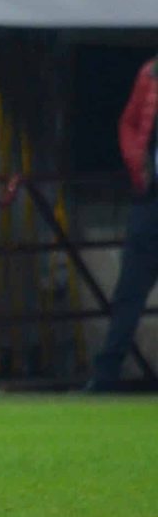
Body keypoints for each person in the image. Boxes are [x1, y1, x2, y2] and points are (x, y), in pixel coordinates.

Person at [86, 55, 158, 393]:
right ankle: (105, 375)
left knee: (129, 290)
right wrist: (136, 163)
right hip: (150, 199)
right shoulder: (150, 72)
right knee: (129, 290)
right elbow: (128, 123)